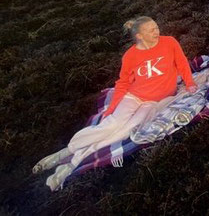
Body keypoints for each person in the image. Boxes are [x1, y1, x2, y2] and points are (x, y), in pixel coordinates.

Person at [32, 16, 198, 191]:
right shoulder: (130, 55)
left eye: (156, 28)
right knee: (112, 124)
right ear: (140, 36)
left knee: (124, 132)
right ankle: (65, 152)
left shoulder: (169, 42)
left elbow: (181, 63)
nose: (157, 32)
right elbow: (124, 82)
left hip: (154, 102)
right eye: (152, 30)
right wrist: (111, 108)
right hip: (134, 96)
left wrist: (190, 83)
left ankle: (71, 163)